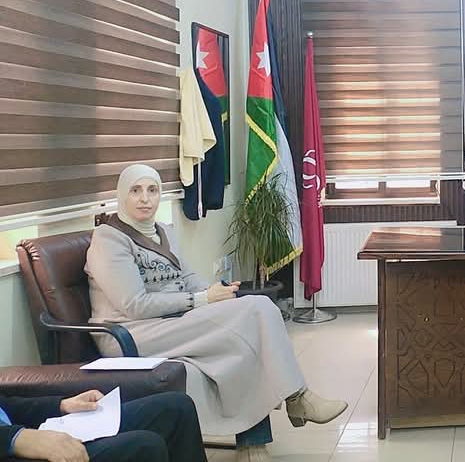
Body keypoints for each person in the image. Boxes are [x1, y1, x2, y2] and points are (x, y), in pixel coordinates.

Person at [84, 165, 348, 462]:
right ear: (122, 194)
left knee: (245, 339)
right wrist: (201, 299)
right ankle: (297, 398)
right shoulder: (109, 240)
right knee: (258, 309)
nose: (145, 198)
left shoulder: (163, 231)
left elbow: (188, 276)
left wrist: (214, 292)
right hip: (130, 333)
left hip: (171, 322)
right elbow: (135, 304)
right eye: (136, 190)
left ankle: (254, 443)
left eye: (152, 190)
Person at [1, 390, 206, 462]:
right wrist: (14, 438)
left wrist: (60, 405)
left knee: (175, 407)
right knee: (144, 445)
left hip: (21, 431)